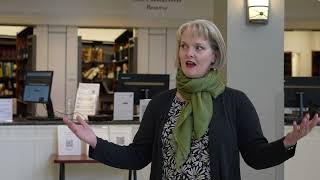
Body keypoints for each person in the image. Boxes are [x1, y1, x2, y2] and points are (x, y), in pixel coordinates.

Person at [63, 19, 320, 180]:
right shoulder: (161, 104)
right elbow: (137, 156)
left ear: (214, 56)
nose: (189, 53)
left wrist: (287, 142)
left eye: (199, 47)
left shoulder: (235, 102)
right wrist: (94, 141)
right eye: (184, 46)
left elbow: (255, 156)